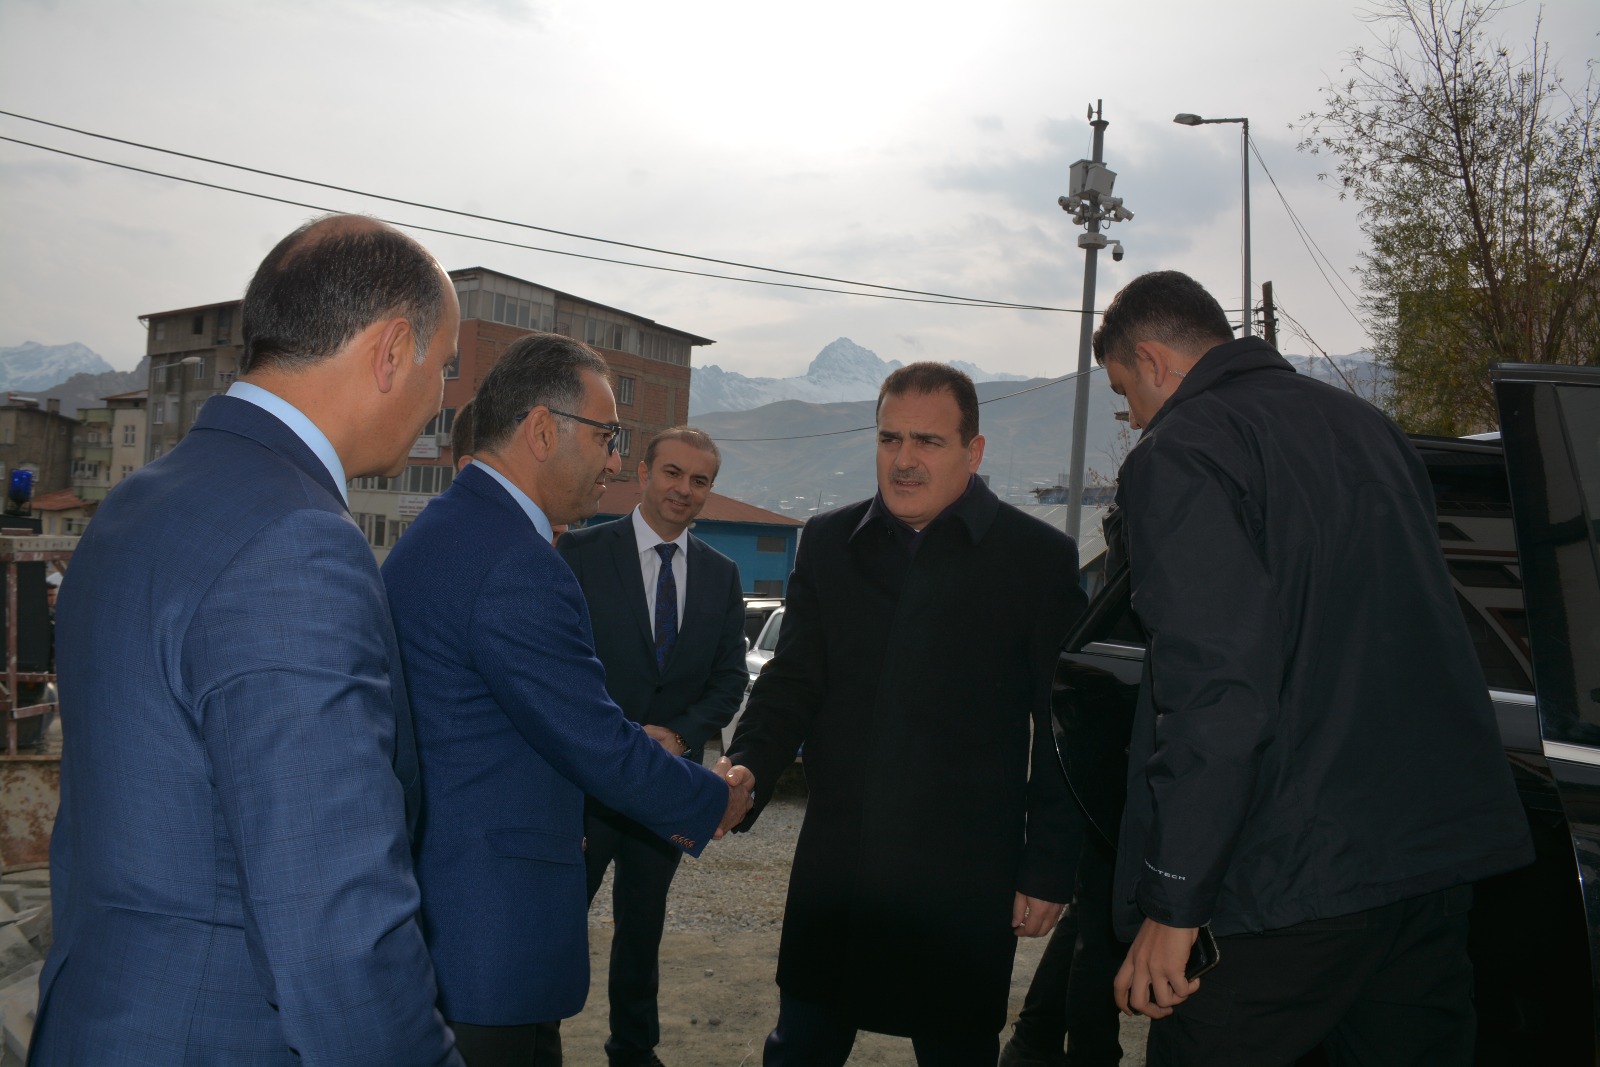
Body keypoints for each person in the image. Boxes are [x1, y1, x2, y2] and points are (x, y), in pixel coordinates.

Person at [33, 215, 463, 1065]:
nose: (441, 397)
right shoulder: (296, 540)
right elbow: (338, 939)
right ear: (391, 351)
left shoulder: (138, 501)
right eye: (442, 367)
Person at [1096, 271, 1533, 1065]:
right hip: (1425, 871)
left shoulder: (1185, 450)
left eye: (1126, 394)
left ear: (1155, 361)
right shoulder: (1371, 429)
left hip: (1280, 887)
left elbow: (1219, 694)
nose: (1133, 419)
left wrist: (1173, 901)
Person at [381, 333, 754, 1067]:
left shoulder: (448, 529)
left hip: (443, 917)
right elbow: (592, 738)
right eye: (606, 437)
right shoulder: (518, 561)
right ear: (543, 430)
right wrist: (712, 799)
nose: (614, 462)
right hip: (488, 935)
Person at [726, 361, 1087, 1066]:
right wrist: (747, 766)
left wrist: (1049, 866)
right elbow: (791, 680)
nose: (904, 460)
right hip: (841, 869)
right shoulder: (830, 543)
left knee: (956, 1049)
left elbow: (1066, 726)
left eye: (927, 441)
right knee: (801, 1042)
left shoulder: (1035, 559)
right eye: (890, 439)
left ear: (973, 452)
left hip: (961, 883)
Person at [556, 426, 748, 1067]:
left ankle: (633, 1050)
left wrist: (682, 734)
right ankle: (534, 1040)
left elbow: (729, 679)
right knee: (557, 922)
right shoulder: (580, 552)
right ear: (643, 473)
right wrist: (619, 735)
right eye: (672, 473)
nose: (683, 490)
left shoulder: (721, 576)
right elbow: (558, 661)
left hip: (667, 784)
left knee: (643, 925)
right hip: (585, 781)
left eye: (699, 481)